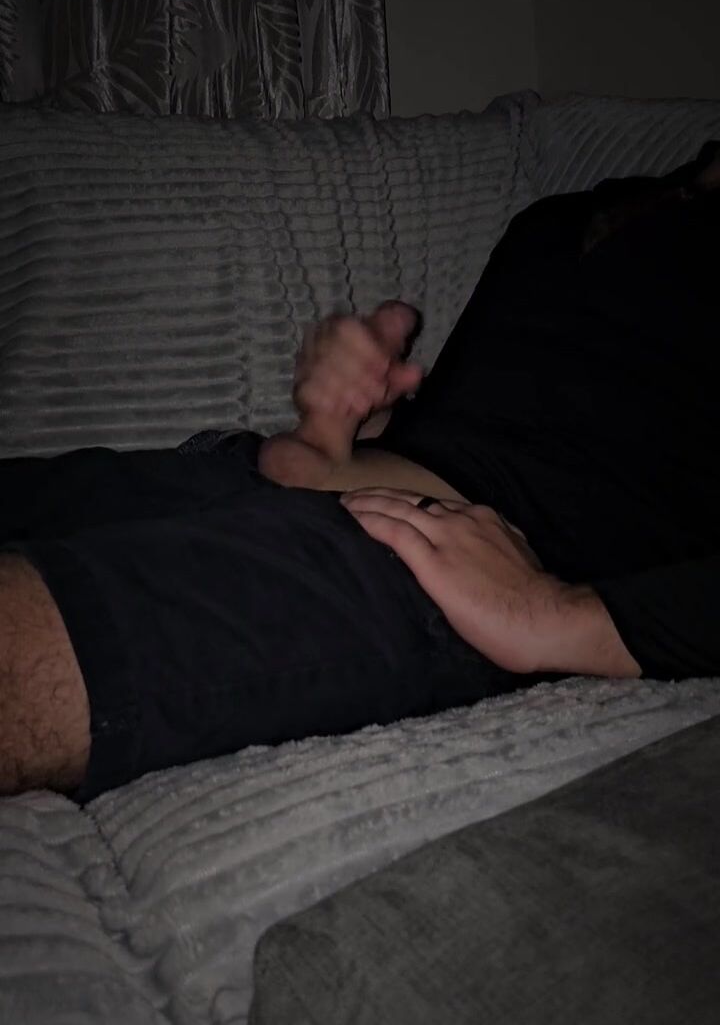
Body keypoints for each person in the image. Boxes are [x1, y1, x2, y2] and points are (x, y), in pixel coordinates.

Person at [1, 141, 719, 801]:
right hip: (271, 477)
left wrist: (562, 617)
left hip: (433, 571)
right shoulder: (585, 208)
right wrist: (343, 429)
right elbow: (515, 434)